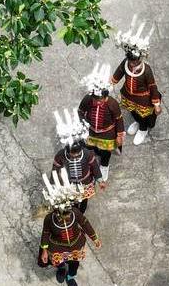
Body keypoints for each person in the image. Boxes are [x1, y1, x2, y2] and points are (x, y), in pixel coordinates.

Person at [37, 170, 102, 286]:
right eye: (63, 214)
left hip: (76, 244)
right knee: (58, 260)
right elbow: (45, 233)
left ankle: (70, 276)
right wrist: (44, 250)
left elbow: (85, 224)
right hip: (56, 246)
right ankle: (61, 269)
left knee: (74, 263)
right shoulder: (49, 219)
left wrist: (95, 239)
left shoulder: (75, 213)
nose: (67, 216)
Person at [112, 16, 162, 146]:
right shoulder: (126, 63)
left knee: (144, 115)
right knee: (133, 111)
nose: (133, 64)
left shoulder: (146, 70)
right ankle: (138, 122)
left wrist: (156, 104)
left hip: (143, 99)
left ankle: (143, 129)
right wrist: (112, 82)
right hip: (128, 94)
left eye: (136, 61)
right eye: (131, 61)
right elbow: (119, 72)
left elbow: (153, 87)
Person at [78, 63, 124, 181]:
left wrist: (119, 135)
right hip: (91, 130)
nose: (98, 102)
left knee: (105, 152)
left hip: (107, 132)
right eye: (95, 99)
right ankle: (90, 163)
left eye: (100, 99)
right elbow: (80, 111)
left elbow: (119, 119)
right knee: (89, 147)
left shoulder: (112, 103)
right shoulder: (87, 99)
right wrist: (83, 124)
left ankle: (104, 165)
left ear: (105, 96)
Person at [52, 108, 104, 213]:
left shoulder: (87, 154)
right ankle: (74, 212)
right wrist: (53, 183)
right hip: (69, 184)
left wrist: (100, 180)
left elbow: (94, 167)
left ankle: (82, 212)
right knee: (72, 201)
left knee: (84, 200)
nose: (75, 156)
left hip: (85, 182)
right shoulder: (61, 155)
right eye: (73, 154)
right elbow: (55, 169)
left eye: (78, 154)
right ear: (67, 150)